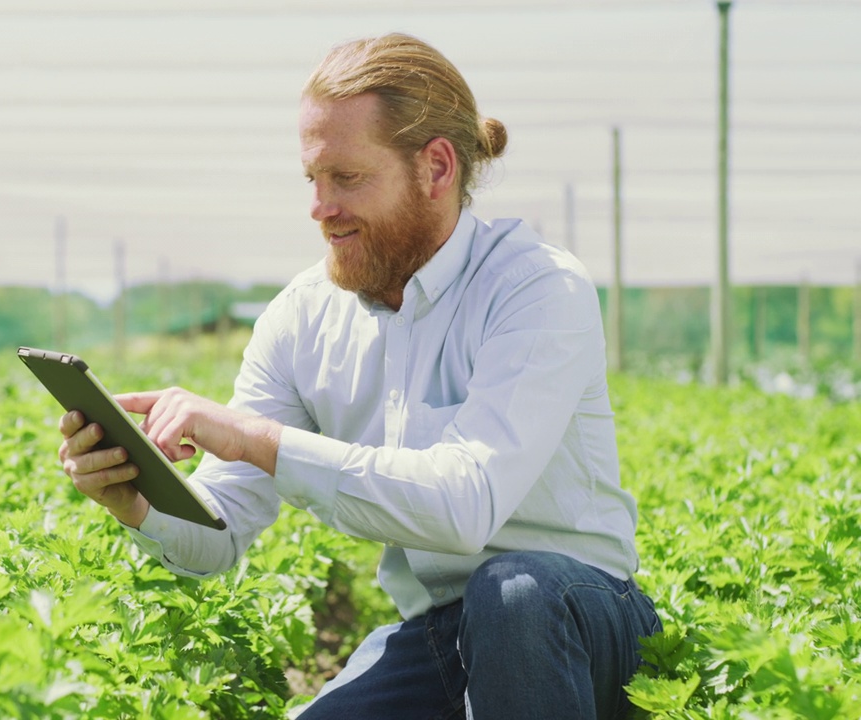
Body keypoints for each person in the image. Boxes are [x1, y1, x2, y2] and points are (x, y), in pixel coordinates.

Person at [57, 32, 660, 719]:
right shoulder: (302, 318)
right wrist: (136, 499)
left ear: (435, 167)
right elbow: (220, 533)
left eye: (346, 178)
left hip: (579, 617)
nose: (320, 207)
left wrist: (258, 438)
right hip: (440, 632)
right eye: (312, 179)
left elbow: (466, 505)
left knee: (512, 594)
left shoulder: (535, 288)